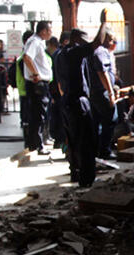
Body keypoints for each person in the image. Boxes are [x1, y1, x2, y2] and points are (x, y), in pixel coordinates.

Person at [60, 11, 109, 186]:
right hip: (78, 102)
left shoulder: (60, 54)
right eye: (83, 40)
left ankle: (75, 173)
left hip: (66, 101)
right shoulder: (74, 52)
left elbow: (59, 84)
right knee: (86, 141)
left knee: (73, 140)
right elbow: (96, 43)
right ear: (77, 39)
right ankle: (86, 179)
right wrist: (103, 23)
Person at [22, 20, 53, 154]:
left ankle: (34, 143)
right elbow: (27, 57)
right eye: (49, 30)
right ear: (43, 31)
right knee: (38, 114)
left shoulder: (38, 41)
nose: (51, 33)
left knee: (38, 113)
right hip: (37, 84)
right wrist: (35, 73)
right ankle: (38, 144)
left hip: (40, 82)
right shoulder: (34, 42)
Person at [89, 32, 119, 159]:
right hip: (101, 92)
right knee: (111, 117)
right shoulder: (100, 52)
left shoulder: (98, 51)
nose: (113, 43)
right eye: (111, 40)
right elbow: (102, 72)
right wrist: (110, 92)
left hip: (97, 92)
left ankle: (97, 149)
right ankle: (104, 150)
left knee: (97, 121)